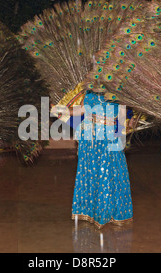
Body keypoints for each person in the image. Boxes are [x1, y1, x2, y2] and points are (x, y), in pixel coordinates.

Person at [55, 90, 133, 229]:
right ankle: (88, 211)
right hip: (89, 137)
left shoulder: (119, 89)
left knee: (106, 174)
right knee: (90, 173)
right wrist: (58, 108)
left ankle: (105, 213)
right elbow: (81, 110)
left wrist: (119, 139)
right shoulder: (89, 90)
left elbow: (121, 117)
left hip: (107, 137)